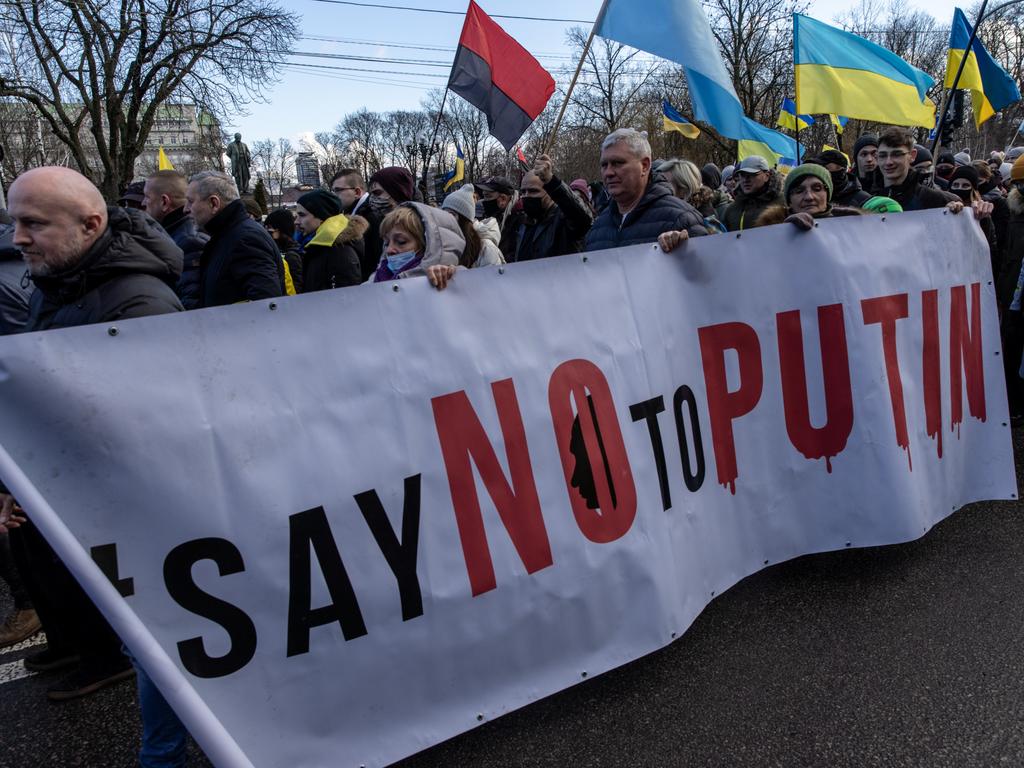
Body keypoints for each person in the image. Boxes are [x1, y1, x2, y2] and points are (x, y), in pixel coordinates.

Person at [2, 166, 184, 710]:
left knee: (84, 572)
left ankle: (103, 655)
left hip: (93, 480)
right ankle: (71, 643)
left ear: (90, 224)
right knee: (42, 562)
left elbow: (149, 418)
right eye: (15, 223)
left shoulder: (139, 301)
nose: (18, 239)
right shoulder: (54, 281)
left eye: (34, 224)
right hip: (50, 468)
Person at [585, 128, 708, 253]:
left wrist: (681, 250)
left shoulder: (680, 220)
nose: (608, 172)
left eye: (618, 163)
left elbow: (704, 269)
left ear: (645, 165)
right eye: (604, 165)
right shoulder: (596, 230)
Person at [184, 171, 284, 307]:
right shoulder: (229, 235)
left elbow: (267, 306)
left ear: (214, 203)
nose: (185, 209)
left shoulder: (245, 239)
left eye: (190, 201)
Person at [142, 169, 209, 309]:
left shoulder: (188, 242)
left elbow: (192, 304)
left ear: (164, 202)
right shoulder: (174, 235)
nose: (143, 203)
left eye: (147, 197)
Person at [510, 154, 593, 261]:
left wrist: (551, 181)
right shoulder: (524, 223)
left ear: (549, 192)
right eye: (523, 191)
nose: (526, 196)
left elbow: (584, 218)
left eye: (533, 191)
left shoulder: (563, 220)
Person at [370, 202, 463, 283]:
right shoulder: (376, 279)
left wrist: (449, 277)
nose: (389, 250)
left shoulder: (452, 277)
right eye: (386, 243)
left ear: (426, 246)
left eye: (401, 242)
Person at [872, 127, 961, 211]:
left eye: (897, 154)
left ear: (912, 155)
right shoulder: (867, 196)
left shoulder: (930, 199)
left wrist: (962, 209)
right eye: (882, 155)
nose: (888, 162)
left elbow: (963, 206)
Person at [753, 163, 863, 230]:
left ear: (827, 193)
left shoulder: (848, 224)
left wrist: (859, 229)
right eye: (799, 191)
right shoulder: (767, 229)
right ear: (789, 200)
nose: (809, 197)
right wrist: (781, 232)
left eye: (817, 189)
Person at [295, 189, 366, 291]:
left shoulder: (340, 252)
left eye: (302, 215)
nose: (296, 221)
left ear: (321, 216)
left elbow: (346, 297)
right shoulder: (315, 246)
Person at [330, 167, 383, 280]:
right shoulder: (355, 212)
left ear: (357, 192)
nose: (334, 196)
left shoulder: (371, 215)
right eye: (333, 191)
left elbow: (375, 258)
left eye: (338, 190)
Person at [949, 165, 999, 275]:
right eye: (955, 185)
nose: (959, 189)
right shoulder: (943, 207)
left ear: (974, 189)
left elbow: (990, 249)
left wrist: (981, 219)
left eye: (965, 185)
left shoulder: (980, 212)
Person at [440, 185, 504, 267]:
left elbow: (492, 278)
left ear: (465, 220)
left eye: (452, 214)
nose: (446, 218)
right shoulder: (445, 245)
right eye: (444, 213)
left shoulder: (486, 249)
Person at [659, 158, 726, 233]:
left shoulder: (706, 218)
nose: (660, 186)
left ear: (684, 187)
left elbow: (718, 242)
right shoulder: (667, 211)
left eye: (666, 183)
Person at [721, 155, 784, 232]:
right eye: (742, 175)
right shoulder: (731, 210)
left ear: (766, 176)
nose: (745, 179)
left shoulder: (784, 203)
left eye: (752, 174)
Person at [474, 175, 523, 261]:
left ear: (503, 199)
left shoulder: (520, 220)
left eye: (488, 196)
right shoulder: (493, 217)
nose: (484, 201)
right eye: (484, 196)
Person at [264, 208, 304, 294]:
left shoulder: (291, 256)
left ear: (280, 230)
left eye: (270, 229)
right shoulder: (282, 249)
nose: (267, 233)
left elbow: (296, 288)